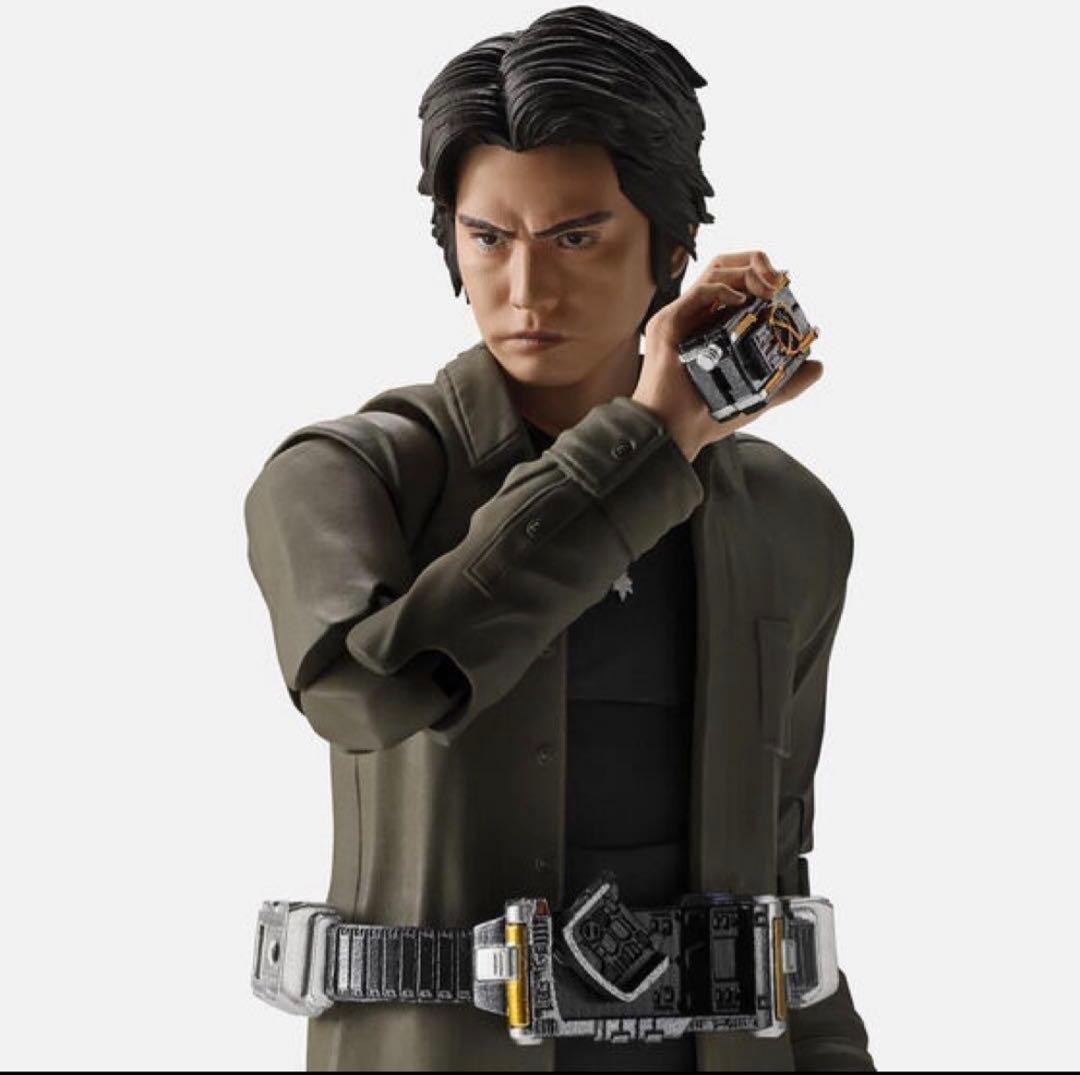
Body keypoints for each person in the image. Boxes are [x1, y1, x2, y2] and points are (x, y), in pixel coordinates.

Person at [244, 6, 875, 1070]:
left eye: (577, 237)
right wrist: (648, 443)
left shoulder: (790, 520)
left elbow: (780, 876)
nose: (526, 289)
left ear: (671, 249)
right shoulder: (346, 475)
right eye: (489, 238)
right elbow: (368, 694)